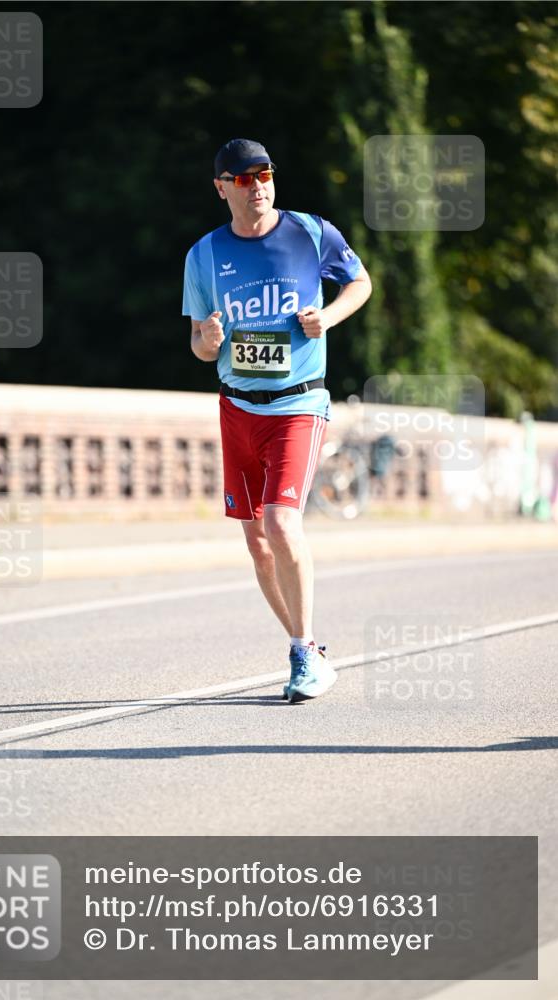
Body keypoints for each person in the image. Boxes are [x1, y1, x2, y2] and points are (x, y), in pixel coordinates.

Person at [183, 138, 372, 703]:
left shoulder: (311, 232)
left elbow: (360, 283)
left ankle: (305, 650)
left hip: (299, 403)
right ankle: (305, 645)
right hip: (236, 407)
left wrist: (329, 318)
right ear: (222, 187)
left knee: (282, 524)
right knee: (257, 543)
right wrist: (207, 341)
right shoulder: (203, 255)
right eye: (242, 179)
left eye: (263, 174)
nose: (257, 186)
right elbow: (197, 341)